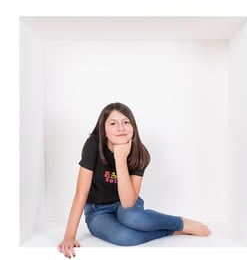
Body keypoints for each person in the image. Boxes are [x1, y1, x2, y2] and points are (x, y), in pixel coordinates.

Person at [57, 102, 211, 256]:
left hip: (127, 205)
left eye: (126, 122)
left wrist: (120, 159)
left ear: (133, 127)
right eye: (113, 123)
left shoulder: (139, 152)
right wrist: (69, 237)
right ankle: (170, 231)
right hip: (98, 211)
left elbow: (128, 202)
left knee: (133, 218)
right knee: (125, 237)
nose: (121, 128)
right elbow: (81, 192)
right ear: (103, 131)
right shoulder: (93, 145)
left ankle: (180, 223)